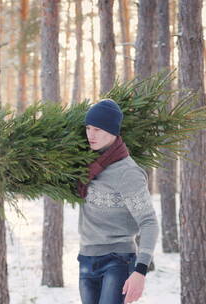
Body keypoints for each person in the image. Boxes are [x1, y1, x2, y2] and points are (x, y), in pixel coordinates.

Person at [76, 99, 159, 304]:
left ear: (112, 131)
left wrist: (140, 271)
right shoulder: (84, 164)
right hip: (86, 258)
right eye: (88, 128)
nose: (90, 135)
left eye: (97, 129)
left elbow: (149, 222)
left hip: (117, 260)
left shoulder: (127, 173)